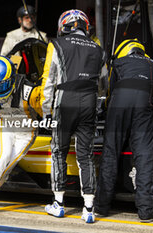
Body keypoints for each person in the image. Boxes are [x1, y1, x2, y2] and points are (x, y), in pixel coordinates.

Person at [40, 10, 104, 223]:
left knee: (59, 150)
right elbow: (103, 84)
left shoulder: (56, 44)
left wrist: (45, 111)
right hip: (89, 101)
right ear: (85, 26)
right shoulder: (98, 48)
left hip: (65, 101)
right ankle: (88, 208)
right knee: (85, 155)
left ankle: (58, 203)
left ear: (64, 26)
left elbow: (48, 80)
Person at [95, 39, 153, 223]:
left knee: (110, 154)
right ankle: (146, 212)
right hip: (143, 107)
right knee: (145, 157)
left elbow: (109, 91)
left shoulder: (119, 62)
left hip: (119, 105)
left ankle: (101, 206)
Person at [0, 56, 44, 218]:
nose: (0, 90)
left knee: (6, 167)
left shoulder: (29, 91)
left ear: (12, 78)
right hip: (5, 125)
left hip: (26, 131)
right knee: (1, 157)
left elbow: (44, 114)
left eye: (4, 84)